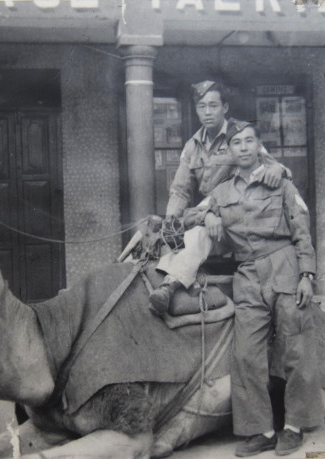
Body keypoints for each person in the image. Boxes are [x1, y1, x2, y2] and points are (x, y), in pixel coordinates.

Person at [186, 119, 323, 457]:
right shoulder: (221, 192)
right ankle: (261, 429)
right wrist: (208, 217)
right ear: (231, 151)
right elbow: (189, 216)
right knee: (246, 355)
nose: (243, 147)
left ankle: (294, 427)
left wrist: (307, 274)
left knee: (298, 349)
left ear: (259, 145)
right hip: (247, 274)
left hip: (285, 265)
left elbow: (301, 231)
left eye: (249, 141)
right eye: (237, 143)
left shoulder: (280, 182)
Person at [149, 80, 290, 314]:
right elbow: (180, 190)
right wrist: (171, 221)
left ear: (225, 108)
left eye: (213, 106)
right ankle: (167, 289)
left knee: (200, 233)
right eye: (202, 106)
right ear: (196, 110)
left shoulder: (239, 135)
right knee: (169, 240)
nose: (207, 112)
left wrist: (278, 169)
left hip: (241, 218)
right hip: (211, 215)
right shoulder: (192, 146)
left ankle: (170, 285)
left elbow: (274, 166)